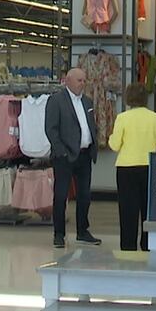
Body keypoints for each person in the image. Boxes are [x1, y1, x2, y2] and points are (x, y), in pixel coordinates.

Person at [45, 67, 101, 249]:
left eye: (84, 80)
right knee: (61, 196)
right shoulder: (56, 100)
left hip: (85, 155)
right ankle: (59, 234)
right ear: (68, 81)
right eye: (79, 80)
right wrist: (60, 150)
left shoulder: (87, 101)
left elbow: (92, 125)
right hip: (65, 157)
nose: (83, 84)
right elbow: (51, 128)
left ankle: (82, 231)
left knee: (84, 195)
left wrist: (94, 142)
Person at [110, 83, 156, 251]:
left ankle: (128, 246)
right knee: (148, 209)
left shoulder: (122, 118)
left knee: (127, 211)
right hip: (148, 165)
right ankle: (147, 244)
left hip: (126, 167)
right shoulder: (155, 117)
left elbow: (115, 145)